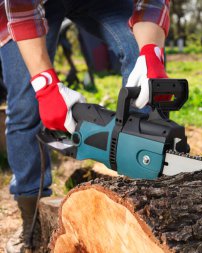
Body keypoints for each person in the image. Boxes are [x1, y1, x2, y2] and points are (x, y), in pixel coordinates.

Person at [0, 0, 170, 252]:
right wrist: (46, 87)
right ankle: (31, 220)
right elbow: (21, 8)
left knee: (141, 57)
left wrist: (151, 53)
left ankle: (144, 190)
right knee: (26, 104)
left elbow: (153, 2)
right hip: (25, 7)